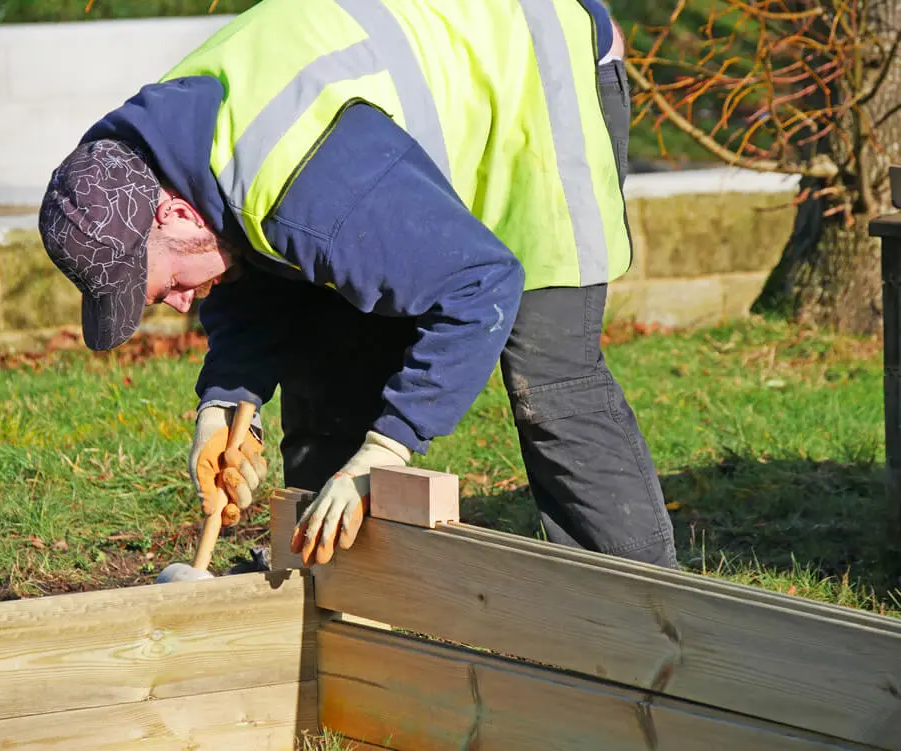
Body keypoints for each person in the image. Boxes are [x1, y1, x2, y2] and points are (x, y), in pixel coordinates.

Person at [37, 0, 677, 571]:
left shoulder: (306, 180)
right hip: (383, 132)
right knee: (333, 330)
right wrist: (227, 406)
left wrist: (385, 451)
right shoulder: (175, 153)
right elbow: (251, 253)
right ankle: (337, 577)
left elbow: (482, 283)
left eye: (168, 282)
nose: (179, 301)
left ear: (173, 212)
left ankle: (647, 619)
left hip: (537, 76)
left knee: (551, 370)